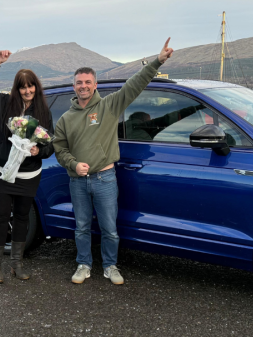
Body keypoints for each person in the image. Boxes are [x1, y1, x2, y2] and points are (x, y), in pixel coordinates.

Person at [54, 38, 174, 285]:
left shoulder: (108, 106)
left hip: (105, 179)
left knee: (109, 228)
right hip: (78, 181)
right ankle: (83, 264)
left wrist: (157, 62)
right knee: (81, 227)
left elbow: (133, 86)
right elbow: (60, 149)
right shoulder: (65, 119)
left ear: (95, 85)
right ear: (74, 86)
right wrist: (73, 165)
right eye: (79, 83)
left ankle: (110, 266)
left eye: (88, 82)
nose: (83, 86)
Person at [0, 50, 55, 283]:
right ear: (16, 88)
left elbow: (50, 144)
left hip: (29, 174)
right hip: (3, 172)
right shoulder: (3, 104)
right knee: (1, 216)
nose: (27, 91)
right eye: (22, 87)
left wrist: (39, 151)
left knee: (22, 217)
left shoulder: (43, 111)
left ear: (36, 87)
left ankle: (17, 263)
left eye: (30, 86)